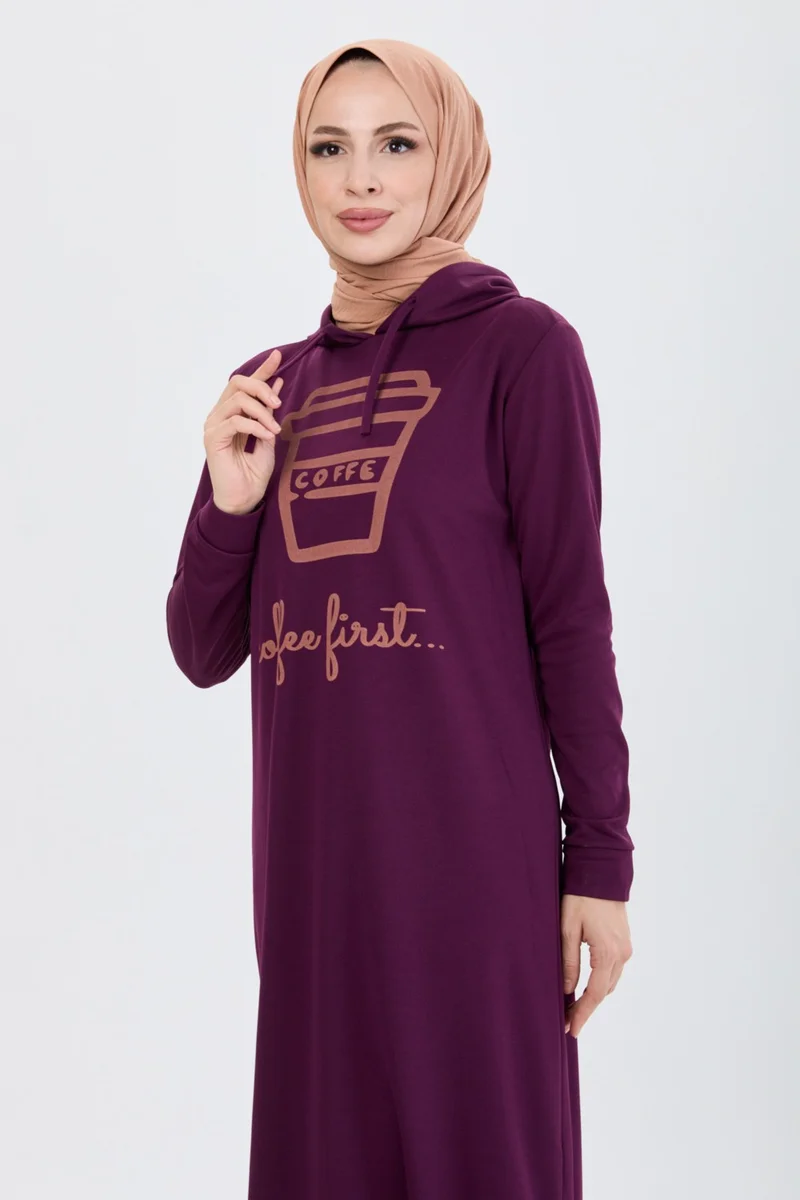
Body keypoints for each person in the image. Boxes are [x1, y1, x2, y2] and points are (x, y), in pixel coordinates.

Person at [166, 37, 635, 1200]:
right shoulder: (272, 385)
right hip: (315, 887)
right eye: (329, 149)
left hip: (475, 877)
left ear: (450, 160)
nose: (360, 179)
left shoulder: (522, 351)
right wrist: (232, 498)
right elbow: (202, 648)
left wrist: (599, 863)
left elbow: (570, 621)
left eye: (395, 144)